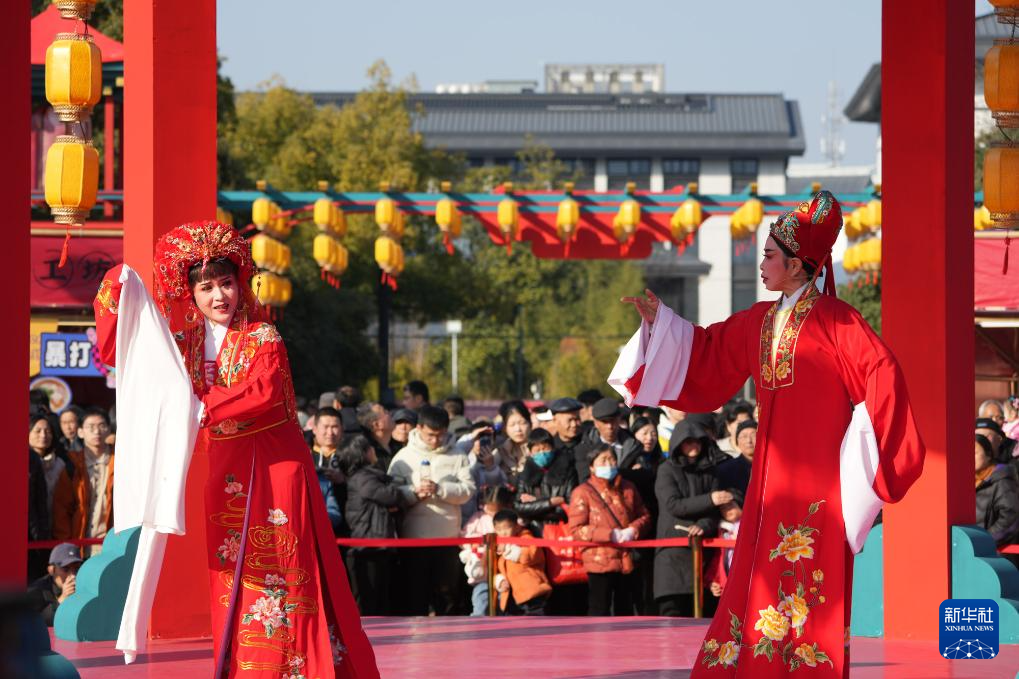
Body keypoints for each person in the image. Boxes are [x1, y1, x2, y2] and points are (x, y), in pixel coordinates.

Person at [612, 191, 924, 677]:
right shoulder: (759, 321)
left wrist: (865, 449)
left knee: (812, 574)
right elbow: (707, 351)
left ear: (797, 266)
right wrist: (660, 324)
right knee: (760, 570)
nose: (761, 264)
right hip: (770, 479)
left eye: (769, 255)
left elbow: (881, 371)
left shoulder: (838, 321)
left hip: (821, 481)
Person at [92, 221, 377, 676]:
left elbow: (264, 392)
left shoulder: (264, 338)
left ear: (240, 283)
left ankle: (293, 667)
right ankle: (245, 667)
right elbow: (122, 352)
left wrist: (204, 407)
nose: (218, 296)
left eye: (225, 283)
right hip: (227, 475)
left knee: (282, 568)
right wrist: (117, 289)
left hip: (275, 470)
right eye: (206, 287)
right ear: (191, 294)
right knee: (232, 574)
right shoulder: (182, 345)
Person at [388, 405, 475, 615]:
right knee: (415, 598)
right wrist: (413, 493)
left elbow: (468, 490)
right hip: (413, 540)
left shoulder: (458, 455)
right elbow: (391, 494)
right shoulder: (403, 457)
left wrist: (441, 489)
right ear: (418, 428)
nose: (435, 440)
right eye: (430, 435)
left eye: (440, 435)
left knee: (447, 599)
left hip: (447, 539)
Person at [654, 420, 730, 617]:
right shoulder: (666, 470)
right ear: (678, 443)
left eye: (698, 441)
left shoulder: (709, 470)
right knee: (673, 618)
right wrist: (710, 499)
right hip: (673, 556)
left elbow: (715, 512)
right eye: (688, 442)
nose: (694, 446)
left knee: (704, 622)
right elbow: (673, 504)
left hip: (703, 554)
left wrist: (703, 525)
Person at [568, 444, 651, 616]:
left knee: (625, 610)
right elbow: (576, 529)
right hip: (599, 560)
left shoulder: (628, 487)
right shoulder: (583, 492)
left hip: (627, 559)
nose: (608, 464)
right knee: (599, 608)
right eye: (603, 461)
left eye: (612, 460)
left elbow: (644, 515)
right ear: (592, 467)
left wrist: (633, 529)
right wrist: (609, 535)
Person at [339, 435, 409, 616]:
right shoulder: (364, 478)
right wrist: (398, 494)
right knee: (371, 602)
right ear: (363, 454)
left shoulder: (363, 477)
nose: (373, 450)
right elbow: (391, 496)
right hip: (369, 544)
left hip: (372, 542)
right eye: (369, 447)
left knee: (378, 599)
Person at [52, 408, 115, 556]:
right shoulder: (72, 464)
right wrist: (66, 548)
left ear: (108, 429)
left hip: (112, 545)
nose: (97, 431)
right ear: (80, 432)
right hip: (80, 546)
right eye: (90, 427)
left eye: (101, 426)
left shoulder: (121, 461)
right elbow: (62, 509)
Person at [461, 486, 515, 616]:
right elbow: (464, 536)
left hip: (504, 574)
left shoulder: (508, 520)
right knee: (481, 603)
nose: (490, 511)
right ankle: (477, 625)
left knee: (503, 606)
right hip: (483, 575)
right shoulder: (478, 518)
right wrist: (475, 545)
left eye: (495, 509)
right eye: (488, 507)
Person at [514, 428, 577, 531]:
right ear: (531, 453)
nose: (542, 453)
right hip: (533, 529)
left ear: (553, 448)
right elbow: (519, 508)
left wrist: (534, 505)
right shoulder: (525, 475)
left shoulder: (567, 472)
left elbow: (569, 507)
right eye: (537, 450)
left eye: (545, 448)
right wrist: (550, 502)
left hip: (560, 529)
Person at [494, 509, 553, 616]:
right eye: (499, 529)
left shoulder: (526, 538)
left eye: (507, 528)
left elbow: (531, 555)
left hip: (532, 592)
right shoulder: (498, 546)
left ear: (517, 526)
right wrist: (500, 580)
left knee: (536, 623)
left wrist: (508, 548)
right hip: (512, 597)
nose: (503, 532)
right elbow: (496, 569)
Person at [574, 398, 642, 483]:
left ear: (619, 419)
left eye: (613, 421)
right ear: (595, 423)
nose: (609, 426)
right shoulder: (585, 447)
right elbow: (585, 479)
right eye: (604, 422)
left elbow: (643, 476)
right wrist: (626, 473)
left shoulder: (635, 445)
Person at [975, 434, 1019, 550]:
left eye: (974, 453)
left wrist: (984, 541)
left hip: (994, 552)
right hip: (972, 548)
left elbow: (1010, 518)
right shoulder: (966, 481)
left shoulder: (1002, 480)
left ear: (988, 455)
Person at [311, 406, 347, 536]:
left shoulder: (350, 457)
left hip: (345, 526)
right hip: (312, 526)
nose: (330, 432)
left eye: (335, 427)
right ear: (314, 429)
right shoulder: (305, 456)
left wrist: (343, 481)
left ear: (342, 429)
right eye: (325, 427)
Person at [26, 543, 82, 626]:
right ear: (51, 570)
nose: (73, 575)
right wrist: (62, 599)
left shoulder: (84, 584)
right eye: (65, 569)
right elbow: (38, 623)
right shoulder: (36, 591)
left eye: (77, 569)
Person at [707, 500, 744, 600]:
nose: (727, 510)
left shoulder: (752, 524)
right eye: (723, 508)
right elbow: (718, 557)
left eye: (730, 505)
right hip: (729, 580)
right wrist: (714, 581)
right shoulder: (723, 530)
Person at [715, 420, 757, 503]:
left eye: (754, 435)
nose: (749, 441)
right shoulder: (726, 469)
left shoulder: (772, 467)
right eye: (744, 436)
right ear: (737, 442)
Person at [494, 400, 531, 486]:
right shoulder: (500, 453)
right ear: (505, 428)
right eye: (512, 425)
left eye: (522, 423)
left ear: (530, 423)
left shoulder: (538, 450)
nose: (518, 429)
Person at [550, 398, 585, 474]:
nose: (574, 424)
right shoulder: (550, 448)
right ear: (555, 421)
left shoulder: (588, 443)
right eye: (569, 420)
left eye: (577, 419)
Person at [357, 402, 395, 472]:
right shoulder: (369, 454)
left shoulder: (397, 445)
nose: (390, 413)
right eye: (385, 412)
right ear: (376, 425)